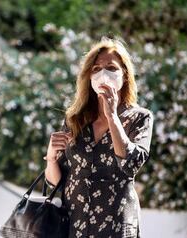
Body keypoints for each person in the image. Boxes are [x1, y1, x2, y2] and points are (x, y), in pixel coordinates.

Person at [44, 37, 153, 238]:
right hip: (74, 223)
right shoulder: (75, 119)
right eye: (96, 69)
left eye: (111, 67)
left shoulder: (139, 117)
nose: (103, 73)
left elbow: (130, 163)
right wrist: (51, 158)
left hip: (116, 224)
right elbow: (57, 182)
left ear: (125, 75)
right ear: (88, 76)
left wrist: (112, 116)